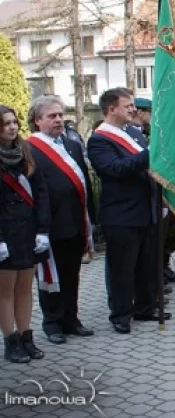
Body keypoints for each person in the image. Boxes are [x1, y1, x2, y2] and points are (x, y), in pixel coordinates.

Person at [88, 88, 166, 334]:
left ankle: (145, 307)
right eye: (128, 106)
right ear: (111, 109)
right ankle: (121, 314)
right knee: (122, 268)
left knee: (146, 264)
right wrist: (149, 153)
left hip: (146, 210)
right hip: (121, 215)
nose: (134, 109)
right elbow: (114, 169)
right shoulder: (99, 140)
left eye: (133, 105)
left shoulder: (133, 133)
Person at [27, 96, 96, 345]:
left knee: (71, 274)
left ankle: (71, 319)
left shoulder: (73, 146)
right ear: (37, 120)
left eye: (60, 115)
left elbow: (85, 185)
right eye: (52, 116)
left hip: (75, 222)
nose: (59, 120)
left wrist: (91, 218)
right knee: (50, 277)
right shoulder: (30, 149)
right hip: (49, 225)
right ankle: (52, 322)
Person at [0, 105, 51, 363]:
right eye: (5, 123)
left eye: (13, 122)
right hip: (5, 233)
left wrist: (42, 230)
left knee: (25, 288)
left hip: (28, 231)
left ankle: (26, 336)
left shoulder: (26, 152)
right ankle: (11, 342)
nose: (12, 127)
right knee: (5, 291)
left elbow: (41, 193)